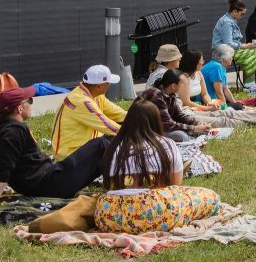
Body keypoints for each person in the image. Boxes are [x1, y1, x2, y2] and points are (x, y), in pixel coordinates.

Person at [94, 100, 221, 234]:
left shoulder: (114, 147)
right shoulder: (167, 144)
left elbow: (108, 185)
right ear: (156, 121)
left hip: (110, 217)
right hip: (157, 213)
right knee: (211, 197)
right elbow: (175, 185)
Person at [0, 87, 110, 211]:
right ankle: (123, 189)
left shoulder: (1, 125)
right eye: (29, 101)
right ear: (19, 109)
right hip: (50, 185)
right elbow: (3, 171)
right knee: (101, 145)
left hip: (44, 180)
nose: (31, 104)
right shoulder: (12, 134)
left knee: (103, 147)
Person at [51, 65, 127, 158]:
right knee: (119, 139)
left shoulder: (96, 95)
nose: (110, 85)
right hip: (69, 156)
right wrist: (138, 131)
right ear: (99, 86)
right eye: (108, 82)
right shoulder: (81, 101)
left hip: (84, 146)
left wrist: (140, 117)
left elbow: (118, 114)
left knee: (120, 133)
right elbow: (108, 126)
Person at [138, 70, 216, 142]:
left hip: (160, 128)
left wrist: (197, 123)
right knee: (181, 136)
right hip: (148, 131)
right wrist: (194, 128)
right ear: (173, 86)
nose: (184, 87)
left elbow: (179, 116)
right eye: (182, 84)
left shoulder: (171, 95)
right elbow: (168, 124)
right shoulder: (156, 96)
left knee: (190, 132)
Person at [212, 0, 256, 94]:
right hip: (224, 52)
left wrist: (245, 45)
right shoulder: (227, 22)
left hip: (230, 50)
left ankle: (249, 84)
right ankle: (249, 84)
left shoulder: (231, 20)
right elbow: (228, 43)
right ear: (234, 11)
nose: (242, 16)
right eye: (242, 14)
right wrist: (245, 46)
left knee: (255, 55)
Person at [203, 45, 247, 110]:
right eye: (231, 57)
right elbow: (219, 92)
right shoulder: (216, 66)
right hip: (209, 101)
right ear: (225, 57)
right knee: (237, 107)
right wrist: (225, 108)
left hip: (215, 99)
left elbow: (225, 89)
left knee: (238, 106)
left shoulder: (221, 66)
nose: (232, 59)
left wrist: (234, 103)